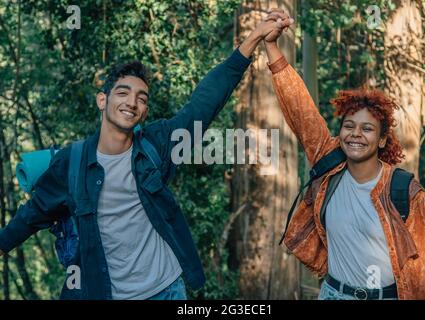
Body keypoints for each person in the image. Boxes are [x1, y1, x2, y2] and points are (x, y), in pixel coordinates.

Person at [0, 15, 293, 300]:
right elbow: (30, 216)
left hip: (166, 289)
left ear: (145, 111)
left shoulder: (157, 143)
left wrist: (254, 37)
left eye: (142, 98)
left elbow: (205, 103)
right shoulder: (71, 162)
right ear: (102, 100)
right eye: (123, 93)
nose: (132, 102)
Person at [263, 8, 425, 300]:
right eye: (349, 126)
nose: (356, 134)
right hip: (332, 293)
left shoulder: (408, 195)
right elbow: (300, 109)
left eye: (368, 129)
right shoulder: (329, 165)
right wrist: (271, 47)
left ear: (383, 139)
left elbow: (424, 280)